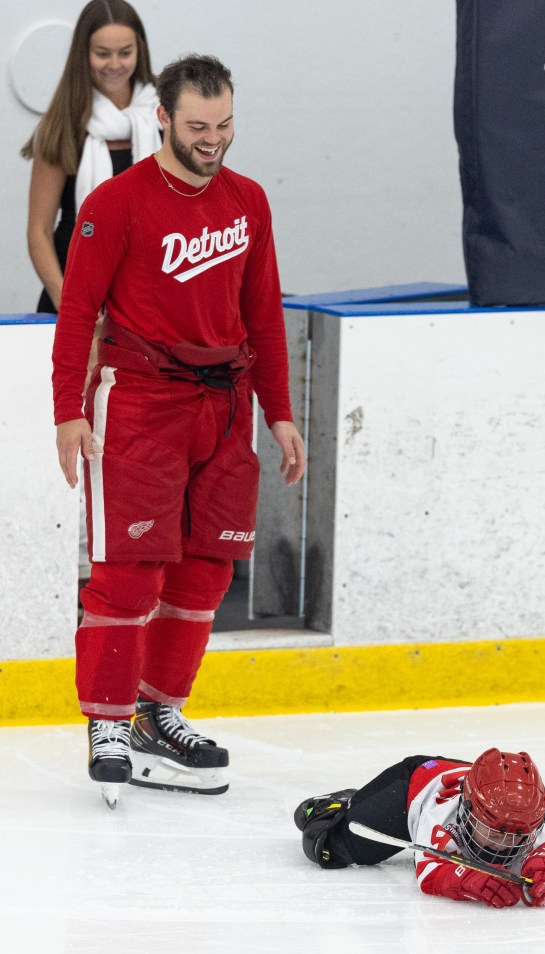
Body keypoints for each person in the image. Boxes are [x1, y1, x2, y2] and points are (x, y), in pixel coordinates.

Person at [51, 53, 305, 806]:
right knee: (131, 569)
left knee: (206, 570)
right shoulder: (117, 203)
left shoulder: (248, 201)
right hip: (139, 403)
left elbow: (263, 312)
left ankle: (160, 712)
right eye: (198, 126)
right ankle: (107, 718)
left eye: (224, 126)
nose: (213, 140)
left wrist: (280, 412)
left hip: (224, 409)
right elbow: (76, 311)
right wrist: (69, 410)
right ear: (162, 117)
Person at [294, 748, 545, 908]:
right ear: (465, 811)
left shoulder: (520, 816)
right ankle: (337, 806)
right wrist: (469, 879)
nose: (504, 845)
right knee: (327, 849)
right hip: (411, 788)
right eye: (493, 832)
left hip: (473, 781)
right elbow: (429, 873)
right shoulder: (443, 814)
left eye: (518, 836)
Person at [21, 0, 161, 314]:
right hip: (74, 299)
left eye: (125, 52)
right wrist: (71, 305)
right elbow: (38, 232)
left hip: (151, 303)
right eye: (102, 53)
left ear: (139, 51)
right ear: (83, 54)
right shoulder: (62, 126)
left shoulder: (165, 117)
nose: (114, 64)